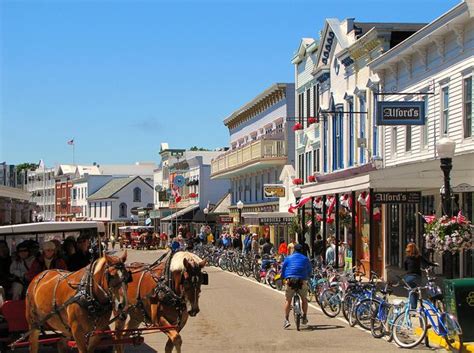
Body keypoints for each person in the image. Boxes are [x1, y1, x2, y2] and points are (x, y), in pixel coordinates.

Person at [281, 244, 312, 328]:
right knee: (304, 299)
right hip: (302, 280)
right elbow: (310, 270)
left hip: (290, 280)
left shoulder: (288, 258)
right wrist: (308, 276)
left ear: (294, 250)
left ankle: (286, 320)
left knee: (288, 300)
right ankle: (304, 316)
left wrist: (283, 277)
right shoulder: (305, 259)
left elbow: (283, 269)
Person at [404, 242, 438, 309]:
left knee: (411, 291)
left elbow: (405, 268)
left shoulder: (407, 258)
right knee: (416, 291)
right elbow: (427, 262)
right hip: (417, 277)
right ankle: (414, 307)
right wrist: (435, 264)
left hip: (408, 277)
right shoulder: (419, 257)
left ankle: (411, 307)